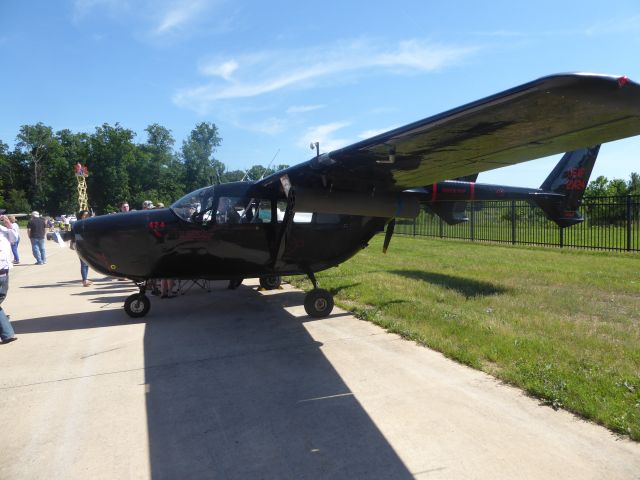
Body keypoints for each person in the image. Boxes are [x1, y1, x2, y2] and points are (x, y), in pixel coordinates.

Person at [0, 227, 17, 344]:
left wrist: (9, 226)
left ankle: (7, 333)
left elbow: (15, 238)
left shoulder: (5, 231)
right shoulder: (4, 231)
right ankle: (7, 333)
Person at [77, 210, 92, 286]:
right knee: (83, 263)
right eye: (84, 215)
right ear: (81, 216)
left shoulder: (89, 223)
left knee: (87, 263)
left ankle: (85, 278)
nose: (86, 216)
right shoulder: (78, 224)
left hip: (88, 245)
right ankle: (84, 280)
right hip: (81, 246)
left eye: (87, 215)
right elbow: (76, 235)